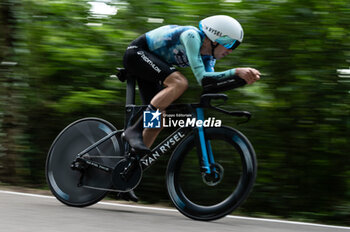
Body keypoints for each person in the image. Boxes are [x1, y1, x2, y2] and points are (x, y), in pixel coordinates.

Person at [119, 15, 260, 202]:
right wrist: (236, 71)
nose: (231, 50)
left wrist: (241, 80)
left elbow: (209, 84)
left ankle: (126, 175)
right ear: (216, 37)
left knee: (157, 120)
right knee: (179, 82)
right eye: (231, 43)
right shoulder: (192, 36)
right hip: (137, 54)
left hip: (151, 69)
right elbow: (202, 77)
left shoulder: (208, 57)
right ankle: (133, 130)